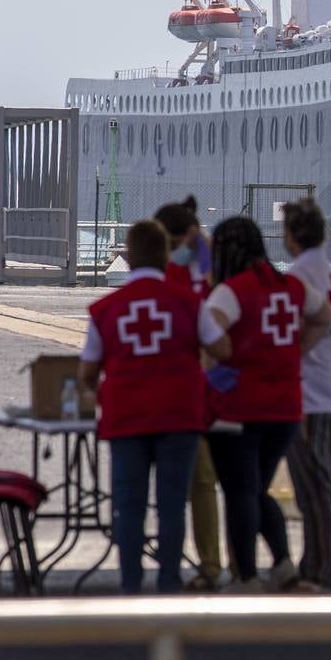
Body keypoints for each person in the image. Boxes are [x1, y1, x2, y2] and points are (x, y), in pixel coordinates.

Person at [79, 220, 216, 594]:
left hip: (126, 418)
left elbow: (87, 372)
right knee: (172, 504)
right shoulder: (191, 305)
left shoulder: (106, 309)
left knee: (129, 504)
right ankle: (169, 582)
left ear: (130, 255)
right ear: (164, 256)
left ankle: (130, 585)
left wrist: (96, 391)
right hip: (180, 416)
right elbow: (221, 348)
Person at [201, 217, 331, 593]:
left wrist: (220, 360)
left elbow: (211, 332)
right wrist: (295, 350)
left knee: (240, 492)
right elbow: (324, 316)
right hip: (285, 407)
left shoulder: (231, 291)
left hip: (238, 407)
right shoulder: (291, 285)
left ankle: (245, 575)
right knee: (257, 488)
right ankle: (283, 565)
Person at [153, 196, 224, 591]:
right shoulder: (185, 270)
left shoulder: (191, 269)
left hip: (190, 391)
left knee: (193, 482)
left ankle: (195, 565)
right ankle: (202, 563)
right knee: (197, 482)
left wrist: (196, 236)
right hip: (189, 389)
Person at [282, 198, 331, 592]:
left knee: (315, 488)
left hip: (309, 390)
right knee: (317, 486)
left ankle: (322, 571)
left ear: (291, 236)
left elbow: (300, 331)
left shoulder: (299, 276)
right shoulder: (328, 272)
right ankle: (315, 564)